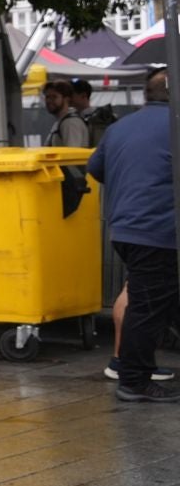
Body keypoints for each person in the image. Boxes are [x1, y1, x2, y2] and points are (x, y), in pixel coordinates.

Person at [88, 70, 180, 402]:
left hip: (125, 229)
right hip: (157, 231)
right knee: (147, 307)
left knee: (158, 300)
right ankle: (134, 380)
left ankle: (132, 373)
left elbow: (95, 168)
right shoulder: (174, 125)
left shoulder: (119, 127)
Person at [43, 79, 91, 149]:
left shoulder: (70, 123)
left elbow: (72, 154)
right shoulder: (62, 121)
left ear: (67, 99)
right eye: (47, 97)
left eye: (54, 97)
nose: (49, 101)